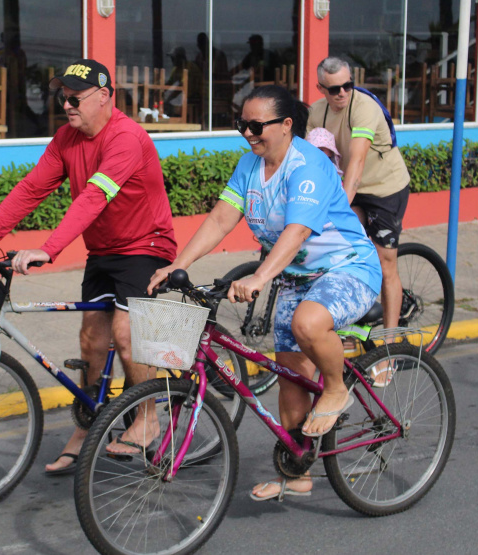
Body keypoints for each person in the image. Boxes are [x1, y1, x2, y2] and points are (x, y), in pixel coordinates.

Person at [147, 85, 381, 500]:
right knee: (290, 376)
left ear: (287, 125)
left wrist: (259, 277)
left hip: (349, 269)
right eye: (242, 125)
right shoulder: (250, 166)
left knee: (307, 323)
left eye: (256, 126)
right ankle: (298, 472)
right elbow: (222, 219)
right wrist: (179, 264)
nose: (248, 133)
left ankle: (335, 387)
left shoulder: (306, 165)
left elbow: (298, 231)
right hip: (297, 277)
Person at [0, 58, 177, 474]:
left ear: (105, 96)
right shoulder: (66, 138)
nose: (67, 105)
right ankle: (90, 424)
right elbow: (30, 189)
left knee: (126, 336)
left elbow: (93, 197)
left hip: (145, 246)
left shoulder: (126, 138)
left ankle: (147, 419)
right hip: (105, 252)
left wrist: (48, 249)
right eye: (62, 97)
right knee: (92, 341)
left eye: (75, 97)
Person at [308, 56, 410, 383]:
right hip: (350, 188)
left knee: (384, 260)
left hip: (383, 187)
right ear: (321, 88)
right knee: (341, 256)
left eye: (347, 85)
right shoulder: (317, 112)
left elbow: (357, 161)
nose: (342, 93)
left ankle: (389, 349)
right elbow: (310, 158)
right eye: (334, 88)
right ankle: (355, 322)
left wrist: (335, 208)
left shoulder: (364, 107)